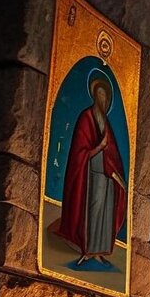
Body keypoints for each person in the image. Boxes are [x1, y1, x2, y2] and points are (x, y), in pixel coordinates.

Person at [54, 73, 127, 268]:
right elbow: (80, 150)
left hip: (107, 175)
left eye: (105, 97)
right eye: (99, 95)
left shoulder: (106, 122)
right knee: (93, 210)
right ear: (94, 95)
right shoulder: (86, 117)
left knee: (105, 213)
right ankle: (87, 250)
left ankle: (98, 252)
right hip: (91, 174)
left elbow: (114, 153)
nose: (102, 99)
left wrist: (114, 171)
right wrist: (99, 148)